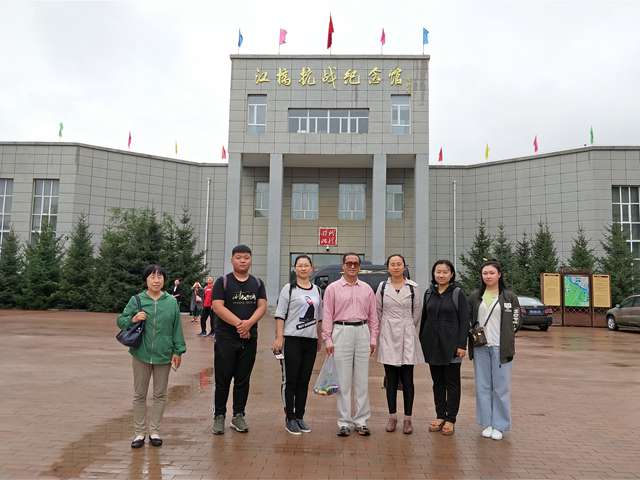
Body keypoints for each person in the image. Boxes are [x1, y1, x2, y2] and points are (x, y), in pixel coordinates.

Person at [116, 264, 186, 449]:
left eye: (159, 277)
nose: (156, 280)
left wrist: (178, 351)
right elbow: (121, 320)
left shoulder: (171, 302)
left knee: (160, 395)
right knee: (140, 395)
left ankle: (154, 431)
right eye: (152, 277)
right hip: (141, 354)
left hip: (164, 355)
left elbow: (177, 328)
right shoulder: (137, 300)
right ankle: (139, 433)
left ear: (164, 280)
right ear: (146, 280)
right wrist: (133, 319)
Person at [211, 244, 267, 435]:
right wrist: (239, 325)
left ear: (251, 260)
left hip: (249, 339)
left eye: (246, 257)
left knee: (243, 379)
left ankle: (238, 415)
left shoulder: (257, 283)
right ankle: (219, 416)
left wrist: (248, 324)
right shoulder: (223, 282)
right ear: (232, 259)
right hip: (226, 339)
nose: (242, 261)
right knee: (223, 379)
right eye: (238, 257)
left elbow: (262, 306)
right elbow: (218, 306)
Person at [322, 253, 378, 437]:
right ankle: (344, 422)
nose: (352, 266)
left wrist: (373, 338)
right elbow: (327, 314)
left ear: (359, 267)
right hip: (341, 331)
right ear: (343, 266)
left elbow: (373, 316)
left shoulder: (367, 289)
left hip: (362, 331)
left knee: (362, 381)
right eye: (349, 263)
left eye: (355, 263)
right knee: (343, 381)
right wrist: (328, 339)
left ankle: (361, 421)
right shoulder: (332, 288)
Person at [468, 259, 520, 441]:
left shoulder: (509, 297)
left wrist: (507, 335)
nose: (488, 276)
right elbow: (469, 319)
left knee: (501, 387)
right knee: (482, 386)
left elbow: (516, 320)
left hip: (501, 348)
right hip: (481, 347)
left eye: (491, 273)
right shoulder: (475, 296)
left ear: (499, 274)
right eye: (485, 273)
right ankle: (487, 423)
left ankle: (500, 425)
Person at [272, 255, 323, 435]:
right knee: (290, 380)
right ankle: (290, 418)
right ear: (295, 269)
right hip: (292, 339)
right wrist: (279, 338)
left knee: (304, 380)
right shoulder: (289, 289)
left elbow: (319, 317)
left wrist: (319, 337)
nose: (303, 268)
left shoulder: (317, 290)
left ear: (312, 268)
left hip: (310, 341)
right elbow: (280, 315)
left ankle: (300, 416)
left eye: (306, 265)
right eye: (299, 265)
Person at [419, 259, 470, 436]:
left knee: (452, 383)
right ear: (433, 274)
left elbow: (464, 320)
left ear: (451, 274)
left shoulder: (457, 293)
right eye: (438, 272)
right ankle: (440, 415)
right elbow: (424, 319)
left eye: (445, 272)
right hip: (432, 345)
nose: (441, 275)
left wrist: (462, 344)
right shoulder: (429, 293)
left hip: (452, 347)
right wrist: (422, 342)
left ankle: (451, 419)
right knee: (438, 383)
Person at [375, 254, 424, 435]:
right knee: (391, 379)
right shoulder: (382, 287)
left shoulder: (413, 288)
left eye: (399, 264)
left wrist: (408, 327)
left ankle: (408, 419)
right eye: (392, 264)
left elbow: (417, 313)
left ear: (404, 266)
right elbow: (378, 311)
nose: (396, 267)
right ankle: (392, 416)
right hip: (388, 334)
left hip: (407, 334)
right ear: (388, 267)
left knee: (408, 379)